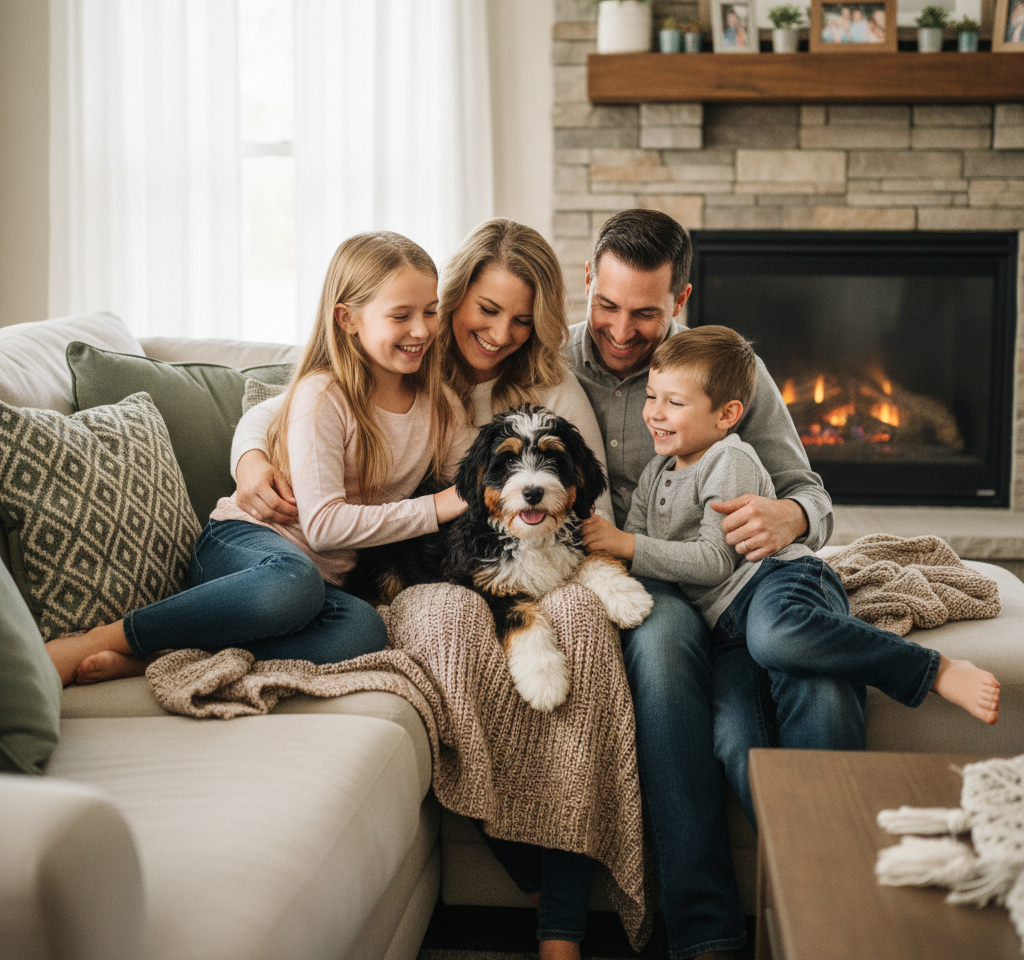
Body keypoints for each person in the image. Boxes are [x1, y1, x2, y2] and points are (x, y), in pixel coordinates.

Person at [232, 218, 613, 960]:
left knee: (583, 639)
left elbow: (593, 490)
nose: (501, 333)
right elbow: (285, 397)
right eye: (486, 309)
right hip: (412, 560)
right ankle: (521, 862)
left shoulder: (546, 382)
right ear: (454, 297)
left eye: (522, 320)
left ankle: (562, 919)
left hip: (529, 552)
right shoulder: (402, 342)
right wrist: (251, 458)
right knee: (444, 637)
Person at [568, 209, 864, 960]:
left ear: (682, 300)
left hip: (741, 574)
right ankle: (707, 938)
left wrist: (790, 517)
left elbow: (810, 492)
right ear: (588, 285)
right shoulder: (556, 360)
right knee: (664, 645)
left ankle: (838, 920)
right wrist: (254, 451)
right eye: (607, 306)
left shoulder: (726, 370)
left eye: (645, 312)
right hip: (648, 576)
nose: (622, 330)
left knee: (816, 679)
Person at [583, 325, 1000, 812]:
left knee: (776, 634)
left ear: (728, 415)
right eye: (652, 396)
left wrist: (626, 543)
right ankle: (794, 868)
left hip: (775, 581)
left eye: (673, 403)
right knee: (737, 743)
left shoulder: (728, 458)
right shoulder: (657, 472)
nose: (653, 412)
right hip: (727, 626)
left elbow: (715, 559)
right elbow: (636, 548)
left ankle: (933, 672)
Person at [46, 230, 473, 689]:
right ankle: (108, 637)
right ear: (347, 319)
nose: (422, 329)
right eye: (401, 315)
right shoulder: (323, 395)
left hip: (321, 584)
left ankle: (171, 653)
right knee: (293, 581)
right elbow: (325, 526)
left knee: (362, 631)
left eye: (430, 311)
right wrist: (437, 507)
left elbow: (477, 476)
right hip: (245, 550)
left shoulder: (441, 405)